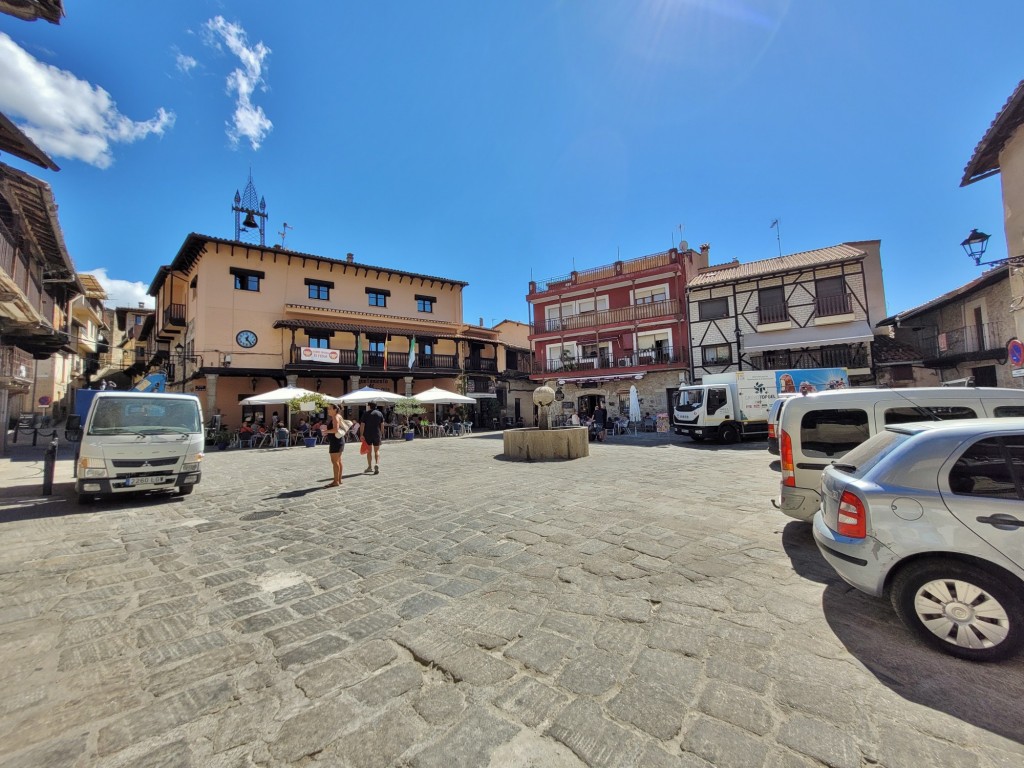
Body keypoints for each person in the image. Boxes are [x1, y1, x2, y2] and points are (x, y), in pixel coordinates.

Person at [324, 403, 349, 487]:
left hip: (336, 441)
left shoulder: (335, 417)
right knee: (338, 461)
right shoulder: (338, 416)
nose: (328, 410)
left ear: (335, 409)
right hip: (339, 440)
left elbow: (335, 429)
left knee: (335, 462)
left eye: (330, 408)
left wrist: (325, 431)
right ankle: (339, 479)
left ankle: (336, 481)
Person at [360, 401, 385, 474]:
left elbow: (362, 425)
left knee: (369, 451)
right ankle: (377, 464)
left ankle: (369, 467)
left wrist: (361, 434)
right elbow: (382, 425)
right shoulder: (380, 413)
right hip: (377, 434)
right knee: (377, 450)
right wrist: (382, 433)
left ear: (369, 406)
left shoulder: (365, 413)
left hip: (367, 434)